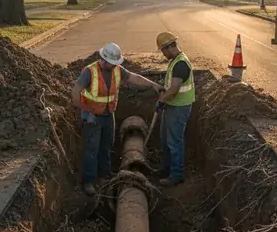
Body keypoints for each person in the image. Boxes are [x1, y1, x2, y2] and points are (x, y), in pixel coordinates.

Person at [72, 43, 163, 196]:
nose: (115, 66)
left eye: (116, 63)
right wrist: (87, 112)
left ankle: (105, 174)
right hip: (93, 117)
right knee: (91, 150)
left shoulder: (117, 70)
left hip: (108, 115)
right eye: (112, 63)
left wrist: (153, 85)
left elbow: (134, 78)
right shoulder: (89, 72)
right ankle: (89, 181)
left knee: (107, 146)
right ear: (103, 60)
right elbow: (75, 93)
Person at [154, 31, 195, 187]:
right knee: (165, 139)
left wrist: (161, 100)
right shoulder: (175, 61)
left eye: (163, 51)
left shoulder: (181, 64)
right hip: (172, 106)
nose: (163, 54)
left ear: (168, 47)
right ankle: (167, 168)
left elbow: (174, 89)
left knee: (174, 142)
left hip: (179, 109)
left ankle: (176, 175)